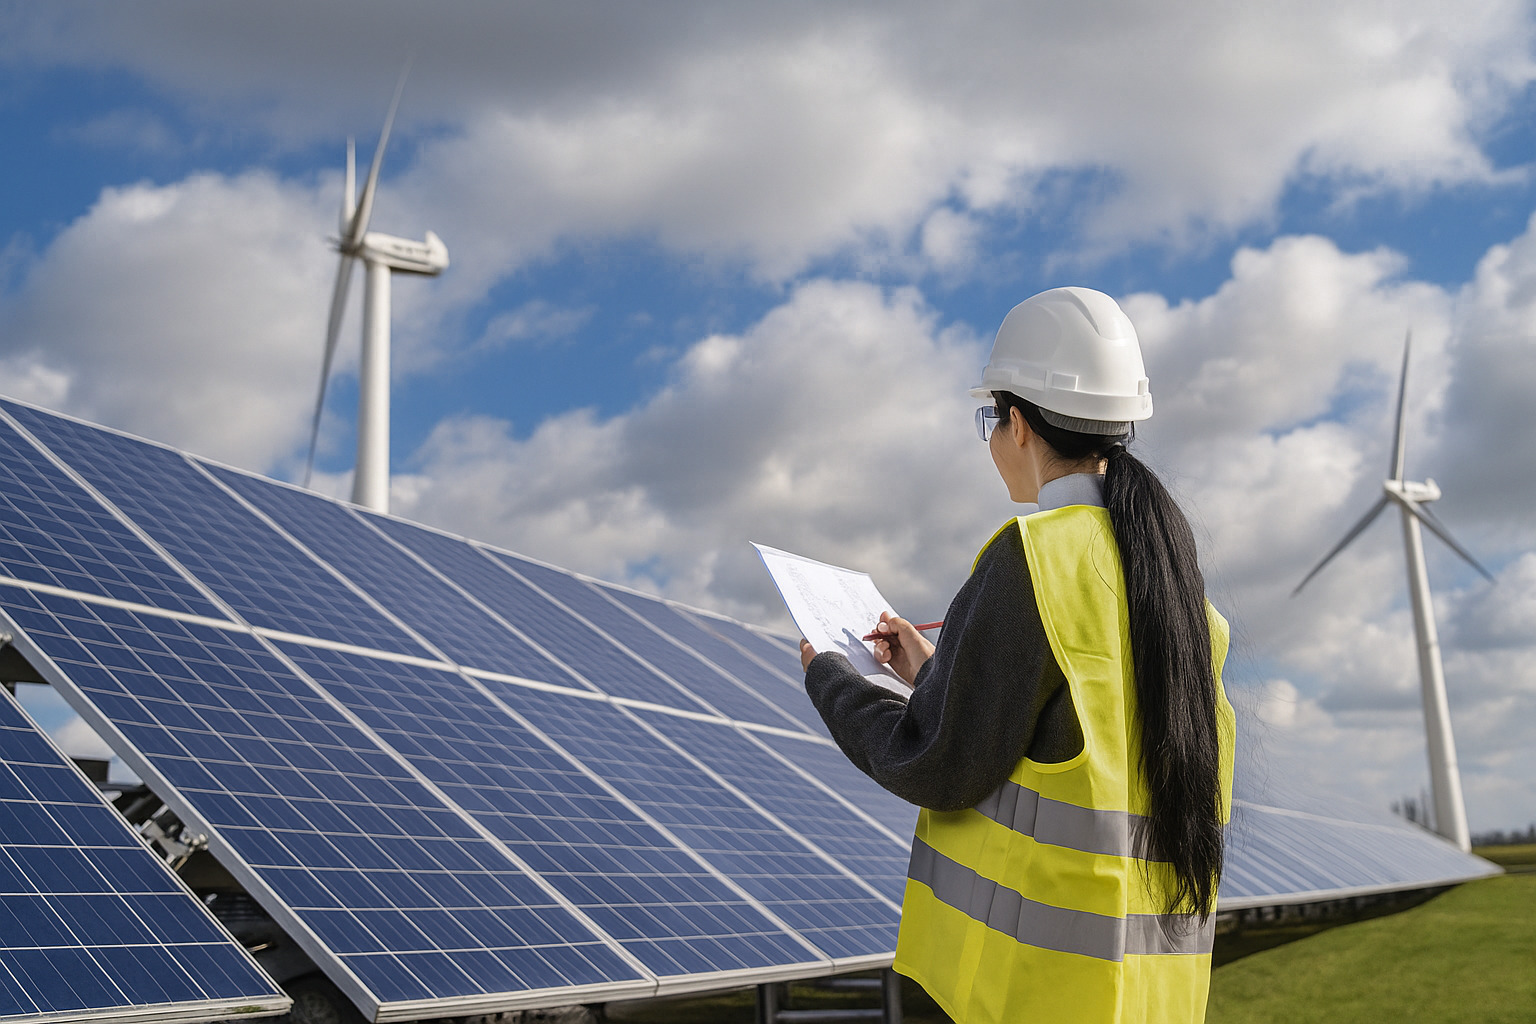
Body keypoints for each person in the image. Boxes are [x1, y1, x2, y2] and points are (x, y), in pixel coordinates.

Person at [797, 287, 1236, 1024]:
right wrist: (934, 670)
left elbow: (936, 759)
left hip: (1028, 991)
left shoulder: (1030, 559)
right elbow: (1074, 740)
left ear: (1020, 424)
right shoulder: (1182, 599)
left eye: (990, 421)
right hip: (1150, 999)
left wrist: (830, 679)